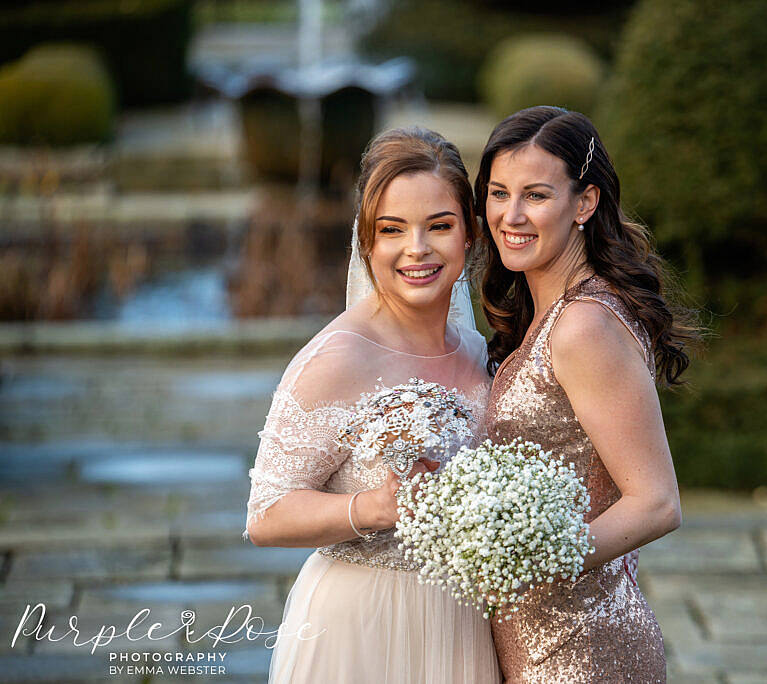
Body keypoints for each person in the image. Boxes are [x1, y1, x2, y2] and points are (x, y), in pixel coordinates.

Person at [244, 127, 500, 683]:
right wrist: (372, 509)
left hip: (462, 629)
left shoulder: (479, 350)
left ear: (469, 235)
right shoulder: (339, 359)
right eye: (392, 230)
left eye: (439, 225)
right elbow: (265, 515)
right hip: (362, 629)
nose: (417, 249)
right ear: (367, 242)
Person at [477, 106, 698, 682]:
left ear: (585, 203)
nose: (511, 215)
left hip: (582, 648)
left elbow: (656, 502)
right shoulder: (548, 311)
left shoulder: (583, 326)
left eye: (536, 195)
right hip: (536, 639)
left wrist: (525, 562)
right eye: (498, 193)